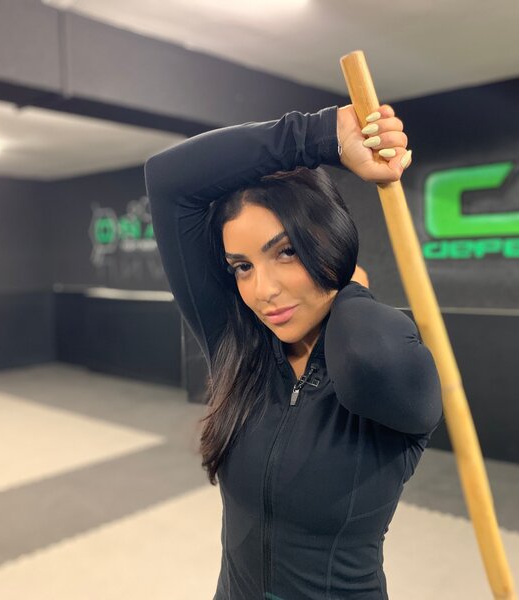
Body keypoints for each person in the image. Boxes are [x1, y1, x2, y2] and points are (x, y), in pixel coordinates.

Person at [144, 104, 442, 600]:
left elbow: (364, 356)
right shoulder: (240, 346)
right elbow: (167, 178)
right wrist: (323, 134)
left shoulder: (387, 363)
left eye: (286, 252)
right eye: (242, 267)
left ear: (331, 240)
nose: (263, 291)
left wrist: (348, 285)